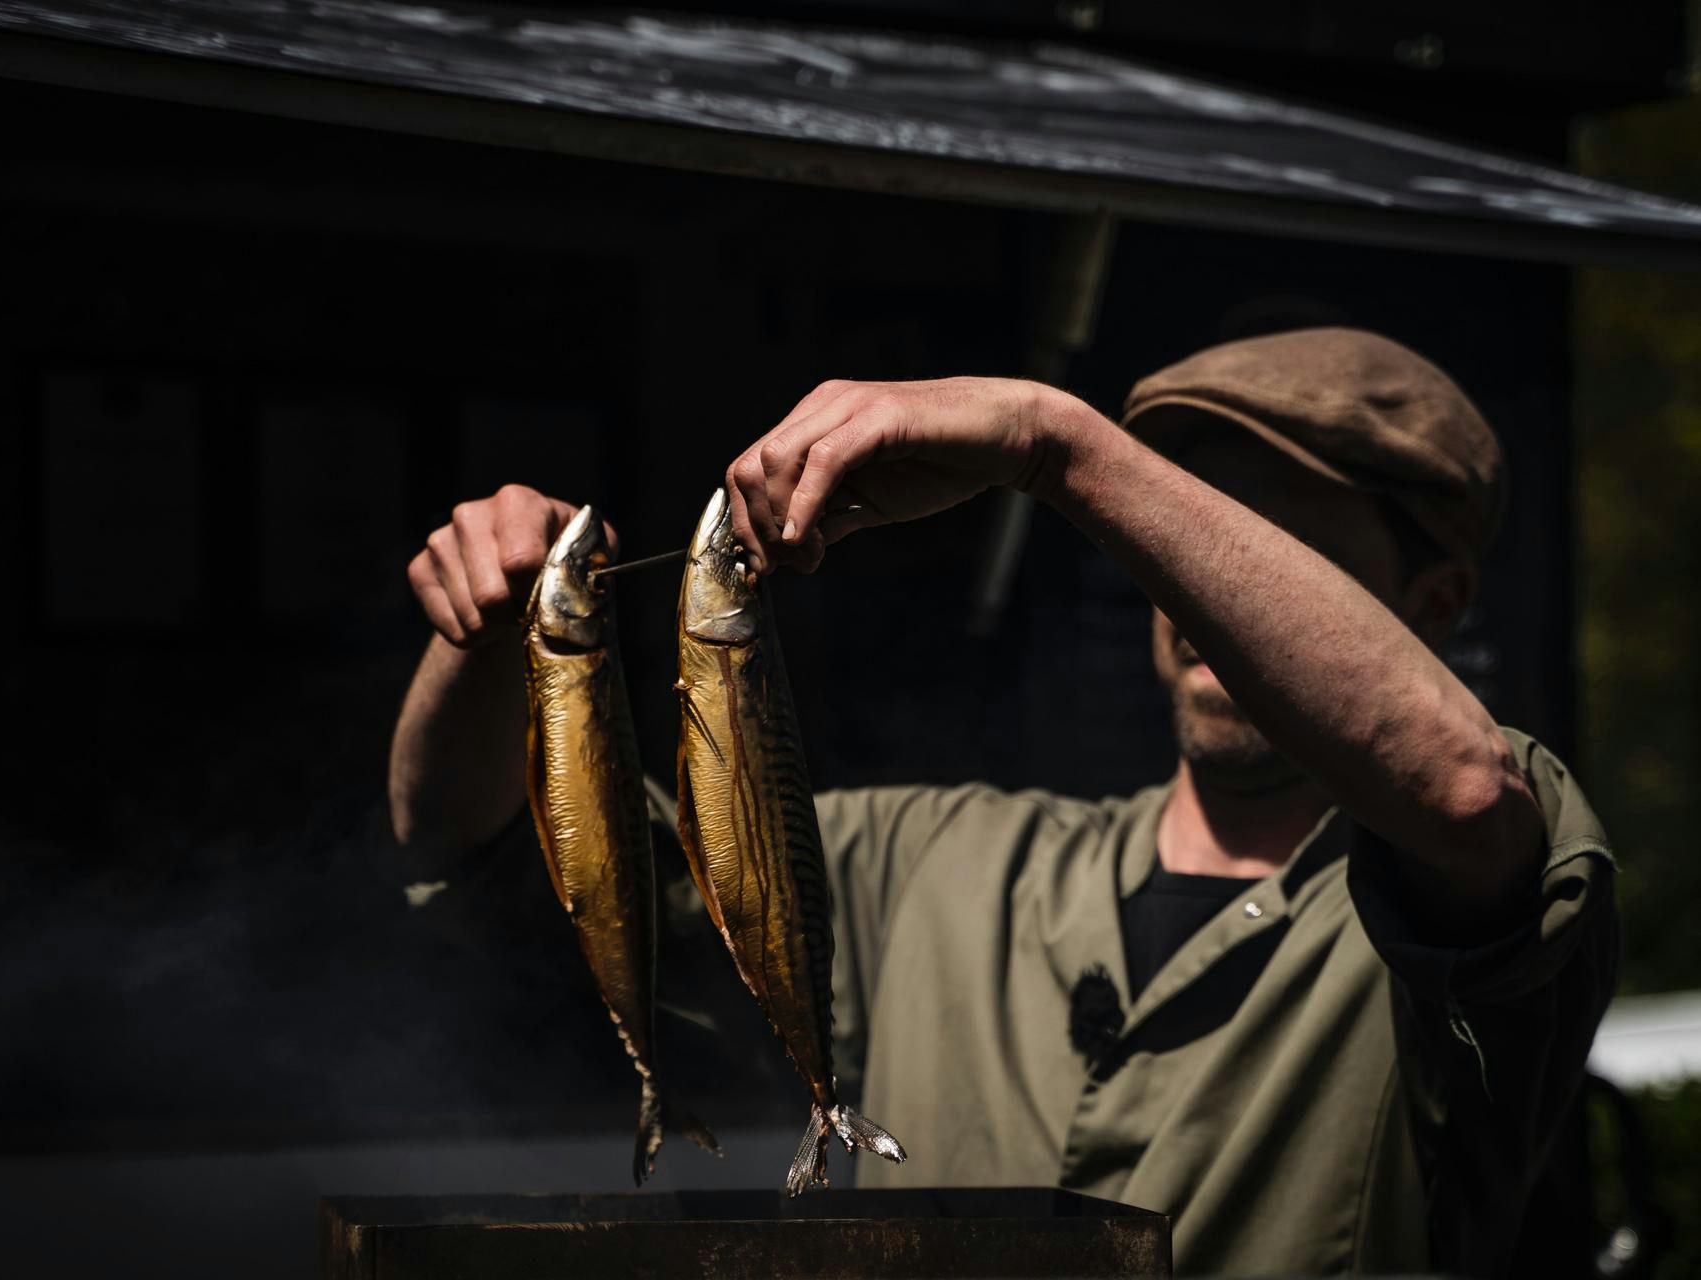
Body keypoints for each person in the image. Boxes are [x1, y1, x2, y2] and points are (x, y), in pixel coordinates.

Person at [389, 328, 1616, 1277]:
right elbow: (497, 848)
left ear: (1435, 602)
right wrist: (494, 637)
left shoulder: (1461, 909)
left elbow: (1464, 791)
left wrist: (1058, 445)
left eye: (1265, 545)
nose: (1199, 593)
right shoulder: (940, 859)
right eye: (1181, 535)